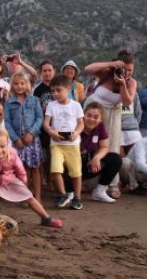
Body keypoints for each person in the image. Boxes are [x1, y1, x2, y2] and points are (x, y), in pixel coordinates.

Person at [84, 50, 138, 198]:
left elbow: (127, 101)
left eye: (130, 70)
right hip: (93, 111)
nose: (127, 72)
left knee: (111, 148)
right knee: (89, 146)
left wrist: (122, 85)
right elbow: (87, 69)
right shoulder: (107, 73)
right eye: (124, 69)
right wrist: (110, 64)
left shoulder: (131, 82)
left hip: (113, 114)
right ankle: (89, 181)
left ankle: (110, 184)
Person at [42, 75, 84, 209]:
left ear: (68, 88)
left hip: (72, 144)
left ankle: (77, 197)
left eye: (58, 90)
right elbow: (46, 123)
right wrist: (51, 132)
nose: (55, 94)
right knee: (55, 170)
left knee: (76, 172)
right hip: (56, 144)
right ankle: (63, 194)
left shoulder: (76, 105)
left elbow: (81, 124)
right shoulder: (51, 105)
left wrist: (76, 133)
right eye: (53, 91)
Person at [73, 102, 123, 205]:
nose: (91, 119)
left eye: (96, 117)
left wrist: (97, 157)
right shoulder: (76, 125)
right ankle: (68, 191)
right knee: (67, 187)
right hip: (73, 166)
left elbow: (104, 146)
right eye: (89, 115)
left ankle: (99, 191)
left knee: (115, 159)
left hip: (89, 164)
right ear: (83, 114)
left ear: (100, 118)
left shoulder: (100, 126)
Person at [4, 72, 44, 202]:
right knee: (23, 169)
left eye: (22, 83)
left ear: (27, 84)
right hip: (18, 141)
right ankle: (26, 197)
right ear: (12, 86)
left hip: (33, 140)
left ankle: (37, 197)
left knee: (35, 169)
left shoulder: (34, 100)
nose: (19, 86)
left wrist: (31, 133)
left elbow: (39, 118)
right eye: (16, 83)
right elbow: (7, 122)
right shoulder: (9, 102)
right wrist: (15, 138)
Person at [32, 60, 55, 188]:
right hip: (43, 126)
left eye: (49, 70)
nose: (47, 73)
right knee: (45, 155)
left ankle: (54, 179)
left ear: (54, 71)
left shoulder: (58, 86)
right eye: (44, 71)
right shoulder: (38, 90)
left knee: (55, 154)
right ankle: (47, 179)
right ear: (41, 73)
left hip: (58, 125)